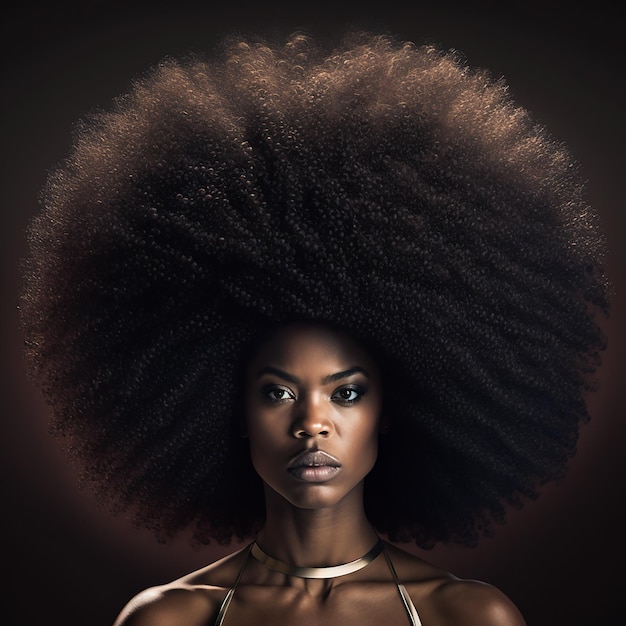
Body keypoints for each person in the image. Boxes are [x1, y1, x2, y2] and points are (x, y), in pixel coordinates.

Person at [19, 31, 609, 625]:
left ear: (396, 411)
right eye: (277, 392)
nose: (311, 424)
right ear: (231, 416)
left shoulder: (468, 616)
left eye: (346, 392)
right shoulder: (170, 619)